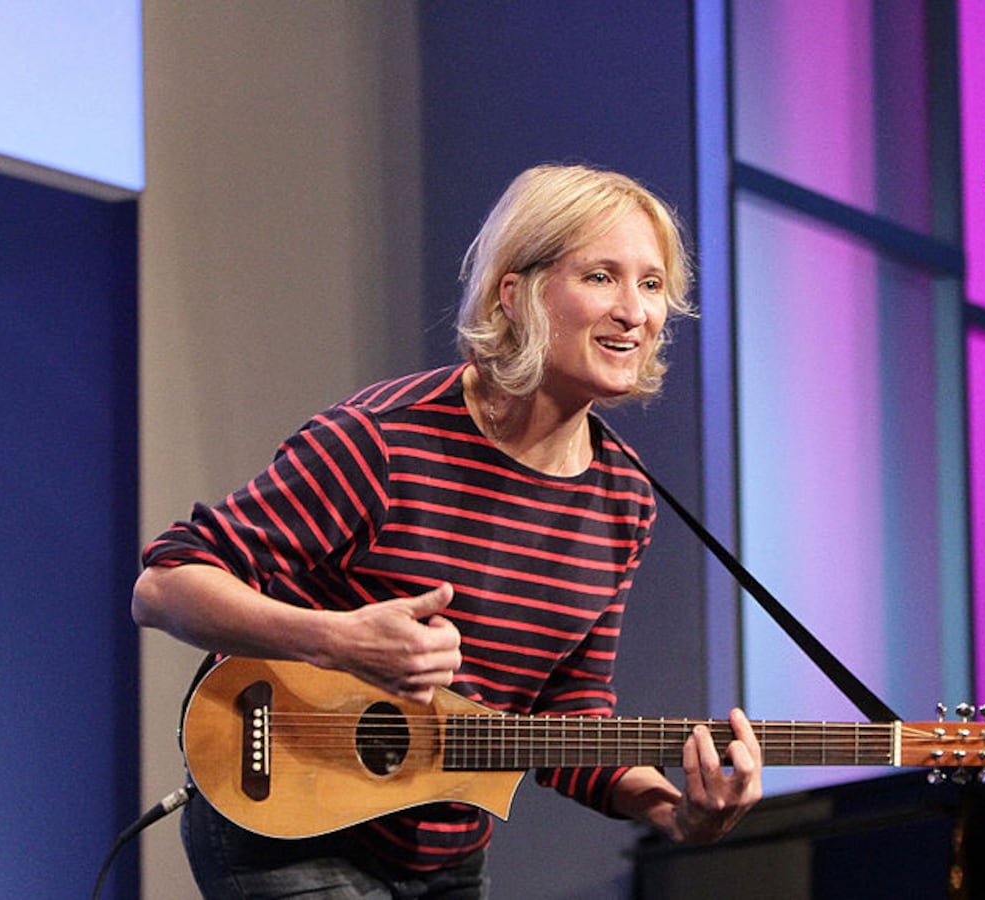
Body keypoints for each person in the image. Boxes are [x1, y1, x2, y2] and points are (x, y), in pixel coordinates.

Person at [132, 163, 763, 898]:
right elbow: (165, 585)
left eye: (652, 285)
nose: (634, 311)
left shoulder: (624, 498)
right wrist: (337, 639)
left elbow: (567, 716)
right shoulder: (386, 442)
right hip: (283, 816)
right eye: (601, 277)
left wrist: (674, 809)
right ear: (517, 291)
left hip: (445, 849)